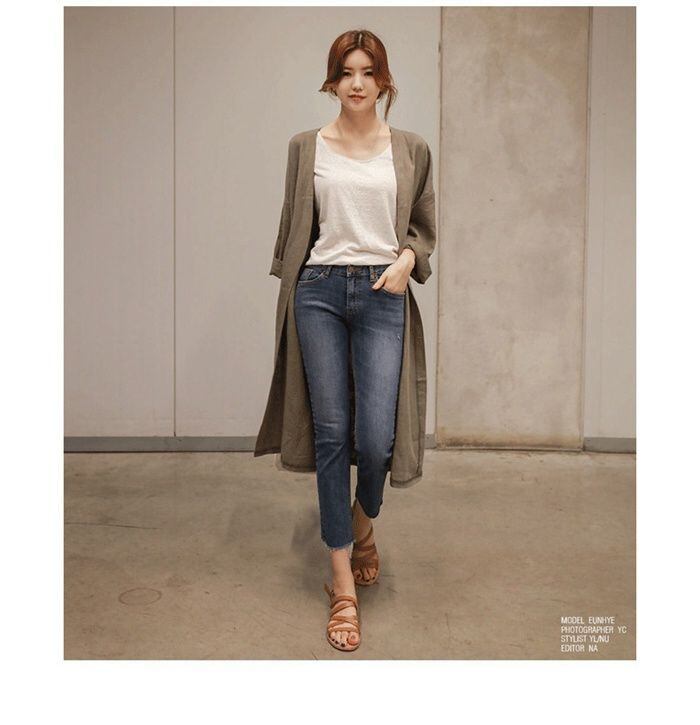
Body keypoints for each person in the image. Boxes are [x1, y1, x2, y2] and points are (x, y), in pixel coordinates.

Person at [261, 29, 436, 652]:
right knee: (332, 433)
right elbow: (295, 226)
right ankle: (342, 585)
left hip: (383, 292)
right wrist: (296, 283)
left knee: (376, 438)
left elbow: (423, 227)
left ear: (383, 80)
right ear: (331, 81)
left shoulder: (410, 148)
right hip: (319, 293)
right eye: (346, 72)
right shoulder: (305, 146)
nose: (356, 83)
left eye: (367, 72)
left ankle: (363, 525)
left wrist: (407, 260)